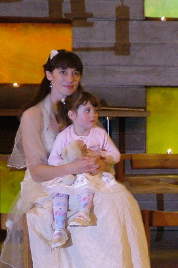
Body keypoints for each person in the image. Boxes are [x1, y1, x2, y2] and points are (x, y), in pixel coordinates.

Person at [0, 49, 150, 268]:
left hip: (83, 178)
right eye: (63, 71)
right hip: (46, 183)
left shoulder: (83, 110)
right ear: (49, 75)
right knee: (92, 204)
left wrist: (96, 161)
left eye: (76, 72)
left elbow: (102, 148)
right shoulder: (33, 115)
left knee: (119, 199)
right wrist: (74, 168)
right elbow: (36, 170)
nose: (70, 78)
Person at [44, 91, 121, 249]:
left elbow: (116, 156)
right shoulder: (64, 136)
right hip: (71, 175)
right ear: (72, 114)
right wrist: (69, 165)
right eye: (87, 110)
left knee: (85, 180)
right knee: (60, 191)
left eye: (95, 110)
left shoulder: (99, 134)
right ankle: (59, 229)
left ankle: (83, 213)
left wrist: (100, 154)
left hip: (92, 174)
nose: (93, 115)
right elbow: (52, 159)